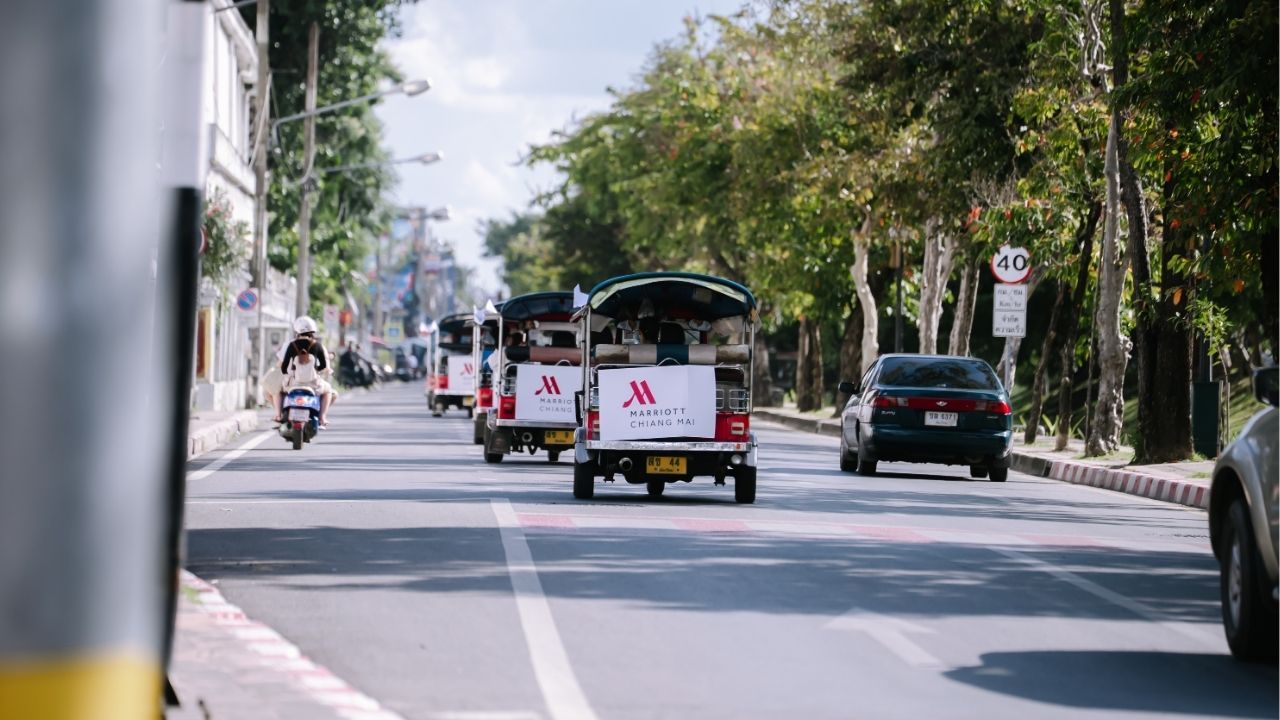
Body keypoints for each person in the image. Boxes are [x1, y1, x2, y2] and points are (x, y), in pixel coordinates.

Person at [281, 336, 332, 427]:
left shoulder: (292, 345)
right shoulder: (317, 345)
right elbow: (323, 365)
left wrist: (288, 374)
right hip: (313, 385)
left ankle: (280, 415)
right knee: (328, 390)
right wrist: (316, 370)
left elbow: (284, 366)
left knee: (281, 390)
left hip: (294, 384)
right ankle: (322, 417)